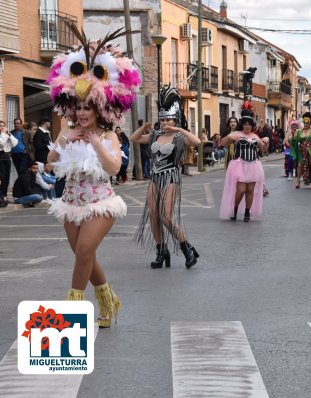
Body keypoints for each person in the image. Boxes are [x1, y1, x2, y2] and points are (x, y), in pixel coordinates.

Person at [45, 26, 141, 327]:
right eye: (79, 107)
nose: (83, 112)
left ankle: (72, 311)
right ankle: (108, 300)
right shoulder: (68, 133)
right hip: (70, 204)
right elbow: (49, 162)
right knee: (84, 256)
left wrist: (96, 142)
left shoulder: (108, 135)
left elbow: (114, 169)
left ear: (99, 109)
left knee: (85, 250)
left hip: (100, 204)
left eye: (88, 107)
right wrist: (65, 138)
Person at [132, 85, 200, 269]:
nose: (164, 123)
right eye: (162, 120)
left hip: (170, 176)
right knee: (153, 216)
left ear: (175, 119)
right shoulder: (154, 135)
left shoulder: (179, 137)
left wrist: (179, 128)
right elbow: (135, 139)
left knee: (166, 216)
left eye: (168, 119)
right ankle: (161, 250)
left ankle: (187, 248)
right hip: (155, 177)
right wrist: (143, 128)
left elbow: (197, 142)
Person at [219, 107, 268, 221]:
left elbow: (264, 150)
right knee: (241, 190)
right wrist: (229, 137)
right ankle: (235, 209)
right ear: (242, 124)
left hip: (253, 166)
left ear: (252, 125)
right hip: (239, 165)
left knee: (250, 190)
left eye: (249, 124)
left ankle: (247, 213)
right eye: (245, 124)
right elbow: (222, 143)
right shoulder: (236, 134)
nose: (247, 126)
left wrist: (267, 141)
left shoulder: (255, 136)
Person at [0, 120, 18, 202]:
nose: (2, 127)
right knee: (2, 177)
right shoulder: (2, 136)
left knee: (7, 178)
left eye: (3, 126)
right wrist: (3, 134)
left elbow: (15, 143)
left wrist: (9, 134)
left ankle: (4, 195)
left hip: (7, 156)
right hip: (0, 156)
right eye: (0, 126)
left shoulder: (6, 135)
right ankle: (1, 195)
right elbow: (1, 143)